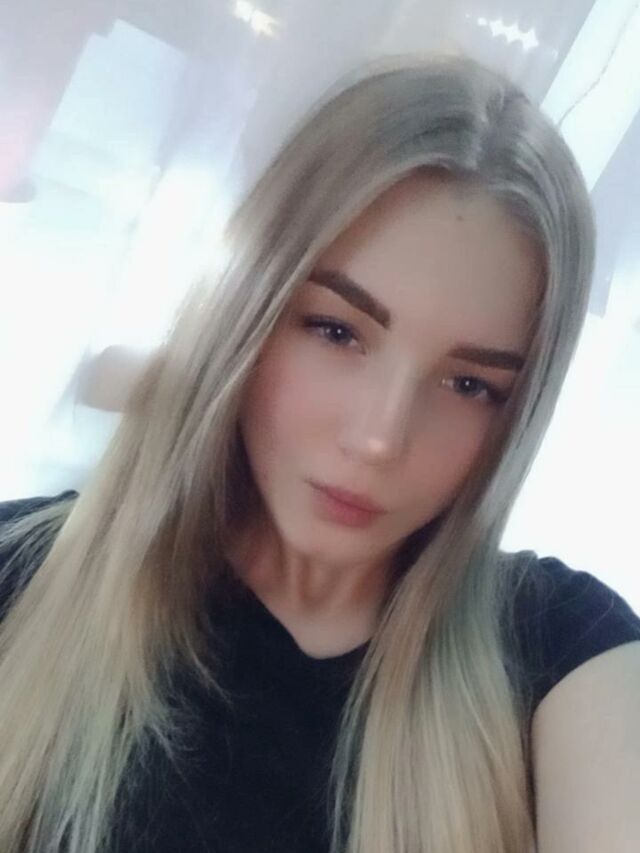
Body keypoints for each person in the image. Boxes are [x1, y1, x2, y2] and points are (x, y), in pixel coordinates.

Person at [0, 53, 639, 853]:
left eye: (470, 384)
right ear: (249, 311)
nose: (379, 437)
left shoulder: (560, 650)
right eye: (337, 331)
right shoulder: (22, 581)